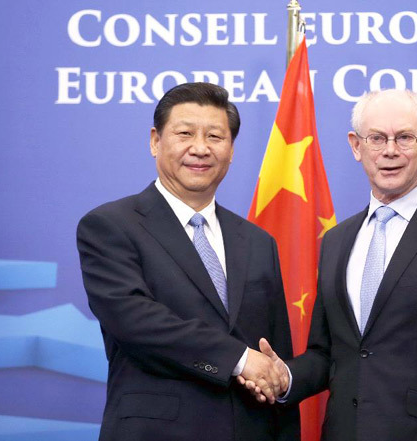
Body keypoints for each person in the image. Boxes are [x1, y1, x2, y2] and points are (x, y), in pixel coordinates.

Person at [251, 89, 417, 440]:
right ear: (356, 146)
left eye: (405, 137)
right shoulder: (337, 240)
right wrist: (287, 376)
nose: (390, 151)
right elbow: (328, 354)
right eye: (376, 138)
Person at [76, 82, 299, 441]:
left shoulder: (258, 242)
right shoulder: (111, 225)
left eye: (215, 136)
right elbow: (135, 321)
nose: (200, 148)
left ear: (231, 150)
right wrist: (239, 359)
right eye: (185, 133)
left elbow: (273, 357)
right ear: (155, 141)